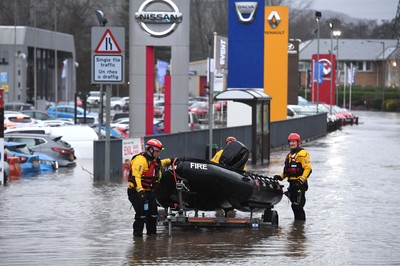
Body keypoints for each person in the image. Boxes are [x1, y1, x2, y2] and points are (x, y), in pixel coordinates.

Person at [127, 138, 174, 237]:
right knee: (141, 214)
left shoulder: (155, 161)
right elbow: (136, 176)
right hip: (136, 192)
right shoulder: (140, 160)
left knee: (153, 214)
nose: (158, 154)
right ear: (150, 150)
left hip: (150, 192)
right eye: (157, 151)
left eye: (159, 152)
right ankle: (138, 238)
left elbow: (162, 163)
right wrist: (140, 191)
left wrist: (171, 160)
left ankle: (151, 237)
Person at [274, 133, 312, 221]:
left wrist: (301, 180)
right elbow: (287, 171)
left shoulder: (303, 154)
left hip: (299, 184)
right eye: (290, 142)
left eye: (294, 142)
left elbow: (308, 168)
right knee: (294, 206)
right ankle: (297, 226)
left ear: (298, 142)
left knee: (298, 205)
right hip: (292, 184)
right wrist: (280, 177)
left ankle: (300, 228)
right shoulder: (289, 155)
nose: (292, 143)